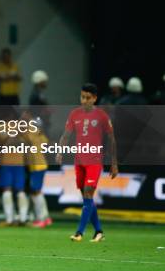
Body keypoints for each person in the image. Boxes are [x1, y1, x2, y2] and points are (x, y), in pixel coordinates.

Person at [57, 83, 118, 242]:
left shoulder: (102, 116)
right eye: (82, 97)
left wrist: (114, 162)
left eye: (88, 98)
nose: (84, 100)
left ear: (95, 98)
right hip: (79, 161)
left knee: (88, 193)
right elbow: (66, 135)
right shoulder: (74, 114)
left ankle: (79, 233)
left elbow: (112, 139)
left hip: (94, 161)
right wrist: (60, 150)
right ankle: (99, 231)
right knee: (87, 198)